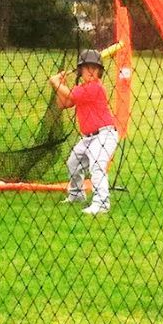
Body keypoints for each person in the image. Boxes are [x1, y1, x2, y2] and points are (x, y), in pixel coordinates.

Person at [49, 48, 119, 215]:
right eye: (87, 67)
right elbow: (64, 103)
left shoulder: (95, 88)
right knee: (73, 163)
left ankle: (102, 203)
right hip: (88, 138)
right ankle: (76, 195)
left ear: (99, 72)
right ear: (80, 70)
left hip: (104, 135)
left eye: (94, 68)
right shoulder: (81, 88)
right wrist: (59, 86)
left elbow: (71, 97)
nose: (91, 71)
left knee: (97, 165)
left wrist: (56, 83)